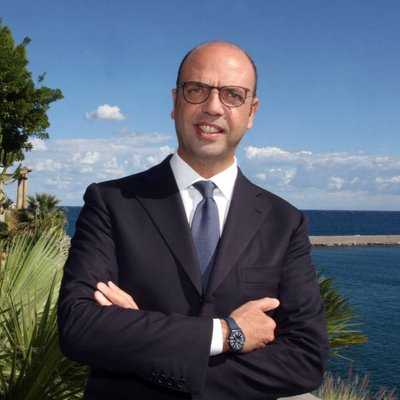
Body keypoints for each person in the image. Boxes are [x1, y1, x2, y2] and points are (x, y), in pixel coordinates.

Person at [57, 41, 329, 400]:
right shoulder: (111, 202)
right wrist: (227, 334)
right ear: (175, 103)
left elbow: (305, 360)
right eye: (197, 90)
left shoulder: (284, 222)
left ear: (251, 112)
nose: (213, 107)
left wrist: (142, 346)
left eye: (233, 94)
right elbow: (79, 326)